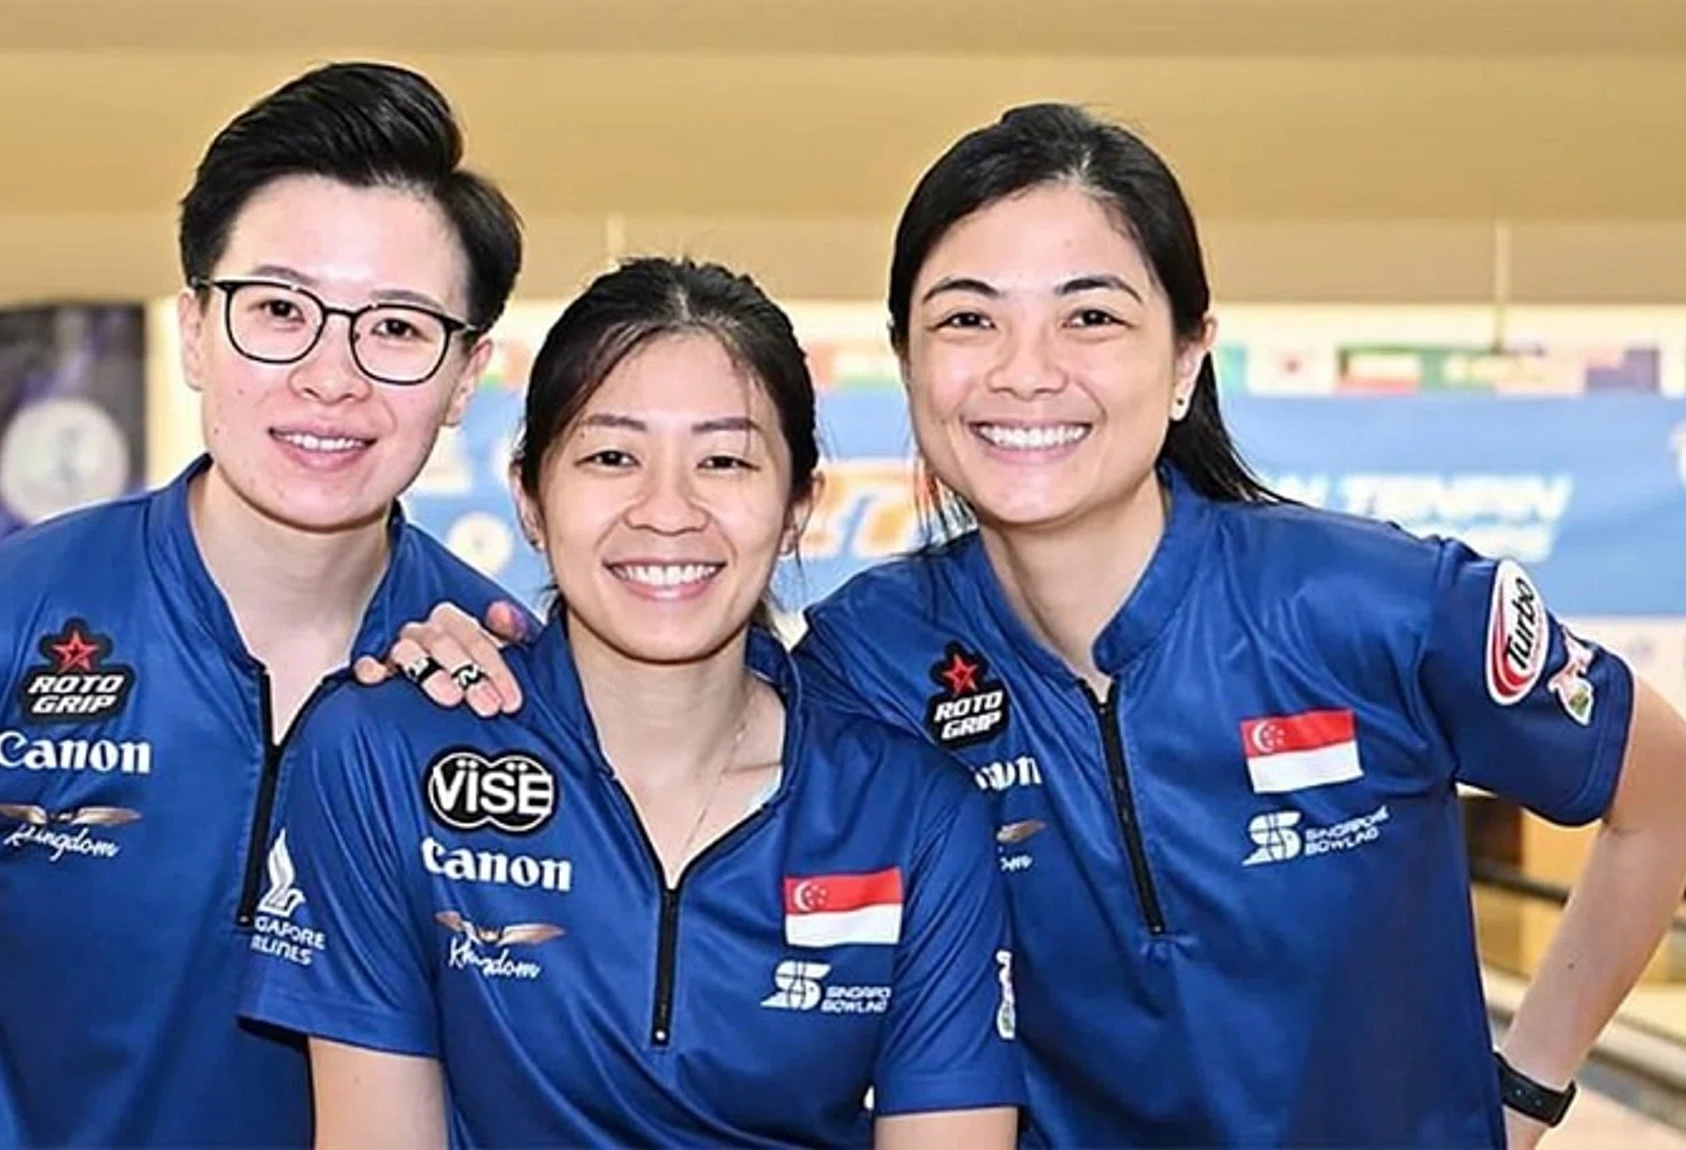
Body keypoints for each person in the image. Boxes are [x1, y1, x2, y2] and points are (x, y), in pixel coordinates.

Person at [373, 104, 1686, 1149]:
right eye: (968, 320)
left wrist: (1530, 1081)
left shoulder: (1376, 605)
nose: (1025, 370)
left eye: (1091, 316)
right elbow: (653, 694)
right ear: (909, 362)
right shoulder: (872, 656)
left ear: (1185, 359)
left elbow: (1660, 800)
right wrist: (462, 638)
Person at [0, 61, 525, 1147]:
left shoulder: (499, 684)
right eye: (278, 310)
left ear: (465, 376)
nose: (331, 375)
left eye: (397, 328)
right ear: (193, 332)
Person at [240, 256, 1024, 1149]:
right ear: (531, 497)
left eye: (724, 460)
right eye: (612, 456)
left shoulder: (915, 815)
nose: (667, 511)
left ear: (799, 504)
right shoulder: (382, 753)